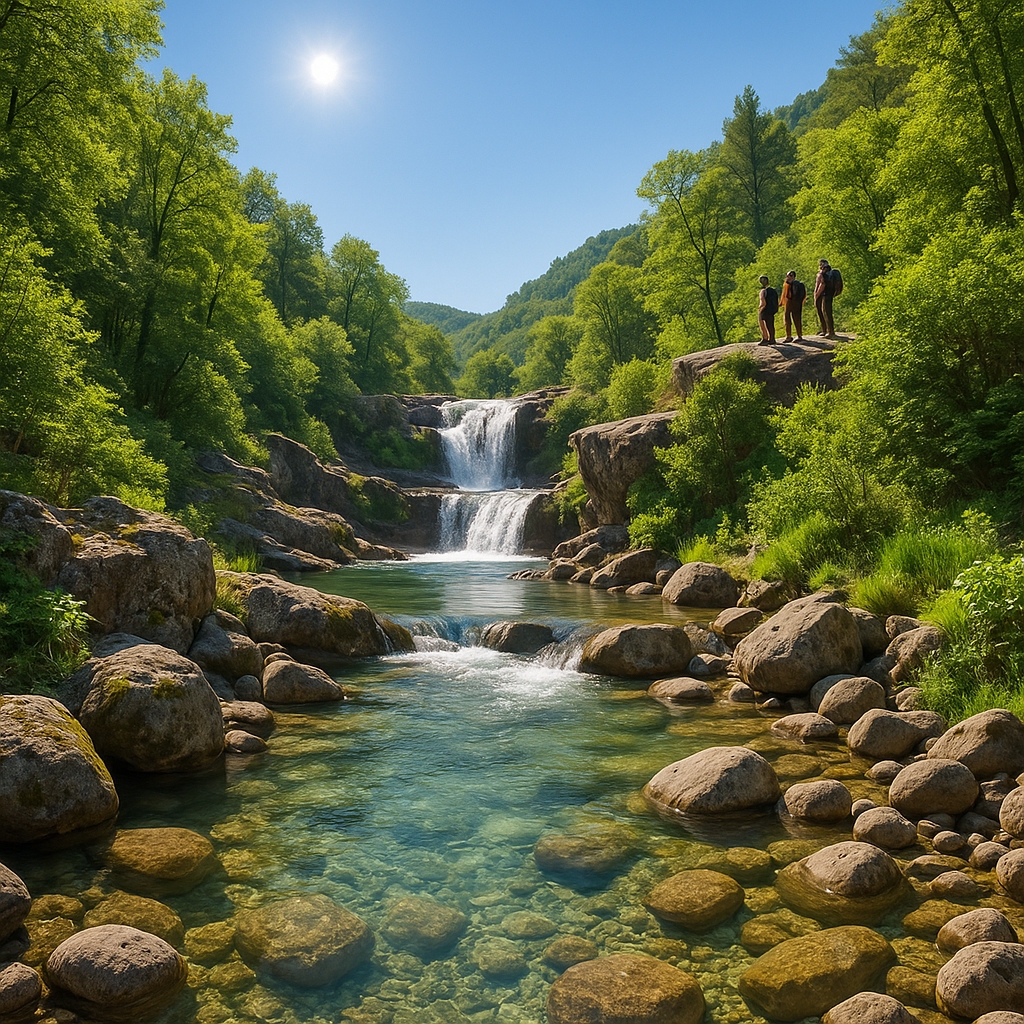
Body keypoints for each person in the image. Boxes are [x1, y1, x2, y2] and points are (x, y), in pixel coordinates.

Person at [781, 269, 806, 341]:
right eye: (787, 276)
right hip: (788, 304)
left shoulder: (798, 284)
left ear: (794, 277)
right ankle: (788, 336)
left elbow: (802, 295)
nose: (788, 278)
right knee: (787, 320)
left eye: (790, 276)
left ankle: (799, 335)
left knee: (797, 319)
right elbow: (784, 294)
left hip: (796, 304)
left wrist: (799, 303)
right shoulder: (786, 284)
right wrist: (781, 302)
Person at [814, 259, 835, 338]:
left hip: (824, 294)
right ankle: (825, 330)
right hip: (828, 294)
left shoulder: (823, 273)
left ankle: (829, 331)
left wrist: (816, 294)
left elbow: (822, 284)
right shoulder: (828, 273)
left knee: (825, 312)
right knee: (825, 312)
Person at [757, 274, 777, 344]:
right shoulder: (772, 290)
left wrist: (760, 308)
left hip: (764, 310)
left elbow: (763, 302)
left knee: (763, 324)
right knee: (770, 325)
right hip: (771, 310)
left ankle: (765, 338)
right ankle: (772, 339)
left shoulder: (763, 291)